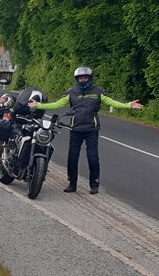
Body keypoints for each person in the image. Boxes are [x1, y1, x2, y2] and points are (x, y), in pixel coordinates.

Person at [29, 66, 144, 194]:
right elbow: (57, 104)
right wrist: (39, 105)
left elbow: (112, 102)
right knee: (72, 158)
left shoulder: (98, 91)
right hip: (76, 129)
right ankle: (72, 184)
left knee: (93, 158)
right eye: (80, 78)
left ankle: (94, 184)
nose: (83, 80)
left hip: (91, 130)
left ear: (90, 78)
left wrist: (128, 105)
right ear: (77, 79)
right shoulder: (71, 92)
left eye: (85, 78)